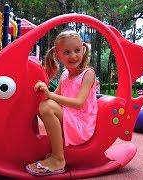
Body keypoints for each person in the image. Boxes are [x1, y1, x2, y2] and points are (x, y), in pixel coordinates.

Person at [25, 30, 98, 176]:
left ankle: (58, 159)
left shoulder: (88, 74)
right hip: (70, 119)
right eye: (67, 52)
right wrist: (42, 88)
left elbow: (78, 103)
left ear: (83, 50)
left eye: (77, 50)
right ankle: (51, 150)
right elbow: (53, 96)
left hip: (82, 125)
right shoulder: (65, 75)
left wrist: (49, 95)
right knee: (42, 105)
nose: (73, 55)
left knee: (46, 106)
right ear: (58, 55)